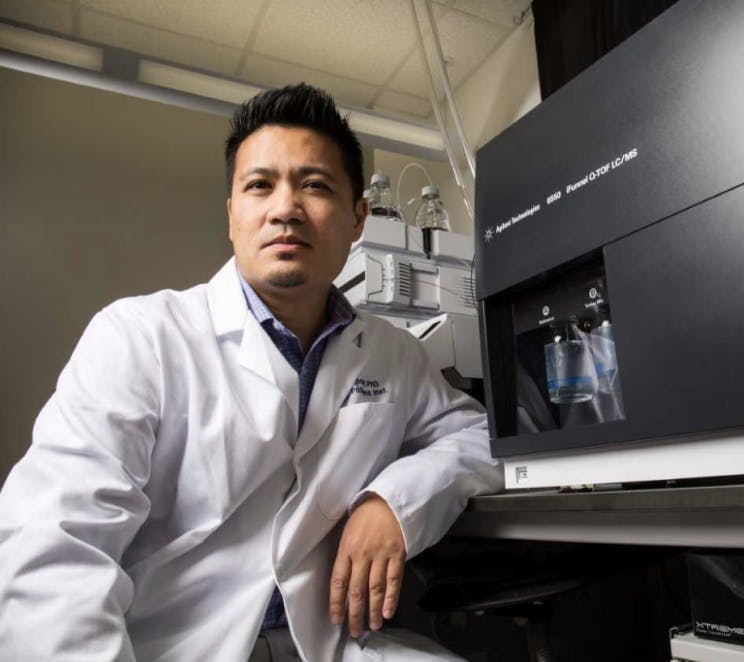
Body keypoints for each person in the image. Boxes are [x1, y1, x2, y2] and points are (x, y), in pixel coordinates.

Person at [0, 83, 503, 661]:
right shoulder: (140, 336)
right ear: (233, 214)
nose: (285, 208)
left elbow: (480, 436)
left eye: (315, 186)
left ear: (359, 217)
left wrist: (392, 499)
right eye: (259, 185)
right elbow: (55, 545)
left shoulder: (392, 353)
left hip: (330, 644)